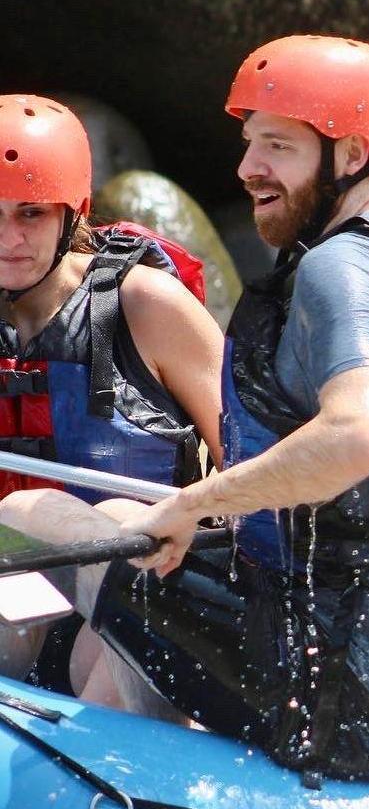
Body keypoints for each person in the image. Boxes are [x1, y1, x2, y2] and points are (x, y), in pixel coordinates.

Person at [0, 36, 369, 782]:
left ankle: (97, 798)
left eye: (276, 146)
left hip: (339, 696)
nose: (248, 167)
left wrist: (199, 500)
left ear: (349, 153)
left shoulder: (338, 270)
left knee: (36, 517)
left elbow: (359, 434)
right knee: (122, 520)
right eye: (251, 144)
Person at [0, 94, 224, 692]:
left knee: (120, 524)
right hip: (11, 610)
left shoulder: (146, 304)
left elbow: (253, 465)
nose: (8, 239)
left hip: (129, 608)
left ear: (73, 214)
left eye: (30, 214)